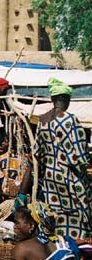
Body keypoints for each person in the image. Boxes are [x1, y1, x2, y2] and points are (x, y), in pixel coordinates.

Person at [34, 78, 92, 240]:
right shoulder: (70, 120)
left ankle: (60, 244)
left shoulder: (42, 120)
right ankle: (79, 246)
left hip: (51, 180)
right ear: (66, 99)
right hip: (70, 178)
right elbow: (81, 156)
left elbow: (37, 152)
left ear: (53, 99)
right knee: (80, 214)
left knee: (57, 214)